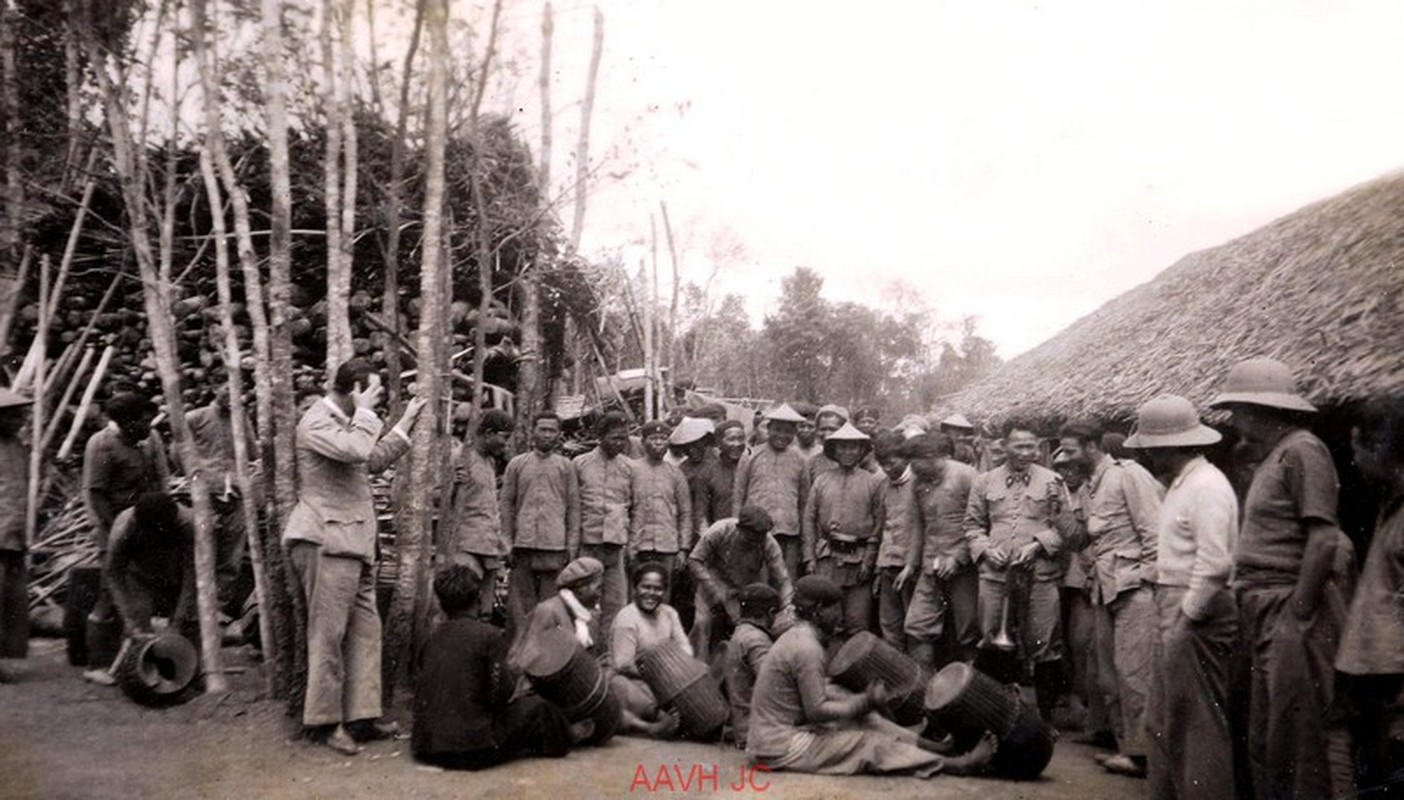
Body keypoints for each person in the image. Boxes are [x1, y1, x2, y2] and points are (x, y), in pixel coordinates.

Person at [1210, 357, 1355, 800]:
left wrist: (1299, 612)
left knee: (1296, 733)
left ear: (1257, 409)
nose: (1233, 420)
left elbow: (1324, 536)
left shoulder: (1303, 450)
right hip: (1261, 605)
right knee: (1266, 730)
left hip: (1285, 605)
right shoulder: (1275, 456)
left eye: (1237, 410)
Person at [281, 359, 426, 754]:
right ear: (354, 391)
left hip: (356, 544)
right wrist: (365, 411)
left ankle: (361, 717)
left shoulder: (347, 423)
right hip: (325, 540)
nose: (376, 404)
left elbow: (371, 460)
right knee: (328, 636)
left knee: (366, 633)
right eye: (374, 394)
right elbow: (358, 448)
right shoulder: (316, 423)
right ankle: (325, 723)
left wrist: (407, 420)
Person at [745, 575, 996, 778]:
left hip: (778, 734)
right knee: (869, 744)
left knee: (860, 712)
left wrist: (859, 704)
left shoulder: (798, 636)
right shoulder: (807, 648)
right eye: (836, 609)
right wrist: (865, 701)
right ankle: (957, 765)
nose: (841, 616)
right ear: (819, 610)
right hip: (778, 747)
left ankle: (936, 749)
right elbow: (816, 711)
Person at [1126, 395, 1238, 800]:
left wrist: (1186, 619)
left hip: (1197, 609)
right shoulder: (1181, 484)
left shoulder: (1206, 487)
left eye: (1152, 448)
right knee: (1165, 718)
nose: (1149, 456)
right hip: (1175, 603)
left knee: (1198, 723)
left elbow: (1215, 565)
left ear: (1169, 446)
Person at [1058, 420, 1163, 778]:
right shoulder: (1089, 486)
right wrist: (1059, 508)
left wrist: (1146, 580)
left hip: (1134, 591)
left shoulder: (1128, 476)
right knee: (1110, 676)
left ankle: (1145, 755)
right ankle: (1128, 750)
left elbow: (1154, 532)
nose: (1065, 458)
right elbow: (1080, 542)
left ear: (1091, 446)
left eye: (1070, 450)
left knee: (1136, 675)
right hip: (1105, 590)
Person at [963, 422, 1077, 717]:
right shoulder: (984, 482)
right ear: (1005, 446)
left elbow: (1065, 529)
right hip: (995, 575)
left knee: (1044, 643)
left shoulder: (1053, 481)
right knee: (991, 640)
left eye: (1031, 446)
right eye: (1019, 446)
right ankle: (995, 713)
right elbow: (973, 526)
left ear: (1038, 447)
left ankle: (1045, 718)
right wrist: (987, 549)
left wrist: (1038, 545)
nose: (1026, 452)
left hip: (1039, 575)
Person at [412, 565, 576, 770]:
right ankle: (568, 737)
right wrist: (517, 685)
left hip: (426, 748)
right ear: (478, 598)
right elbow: (501, 694)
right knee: (540, 708)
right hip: (471, 750)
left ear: (443, 603)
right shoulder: (489, 635)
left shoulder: (432, 638)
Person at [1336, 396, 1404, 797]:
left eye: (1357, 448)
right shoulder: (1389, 505)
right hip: (1378, 677)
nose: (1355, 460)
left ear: (1380, 449)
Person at [82, 392, 169, 684]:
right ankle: (96, 664)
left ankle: (135, 660)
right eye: (144, 421)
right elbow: (96, 495)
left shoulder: (144, 440)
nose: (150, 425)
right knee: (109, 595)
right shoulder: (102, 444)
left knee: (140, 594)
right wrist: (113, 532)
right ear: (126, 421)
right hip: (114, 530)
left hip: (142, 528)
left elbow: (156, 482)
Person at [178, 379, 260, 618]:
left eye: (237, 391)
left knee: (231, 557)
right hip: (206, 494)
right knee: (203, 551)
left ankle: (218, 609)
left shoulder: (240, 418)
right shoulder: (195, 417)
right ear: (215, 389)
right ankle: (194, 609)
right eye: (226, 388)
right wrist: (196, 475)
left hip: (236, 493)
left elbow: (253, 451)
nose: (231, 395)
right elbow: (179, 449)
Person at [1051, 447, 1114, 748]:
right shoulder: (1057, 492)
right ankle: (1078, 703)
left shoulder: (1095, 490)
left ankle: (1089, 708)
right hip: (1062, 574)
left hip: (1087, 576)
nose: (1067, 472)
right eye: (1061, 467)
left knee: (1083, 639)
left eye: (1071, 466)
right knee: (1065, 639)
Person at [901, 433, 980, 670]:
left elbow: (981, 523)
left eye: (914, 462)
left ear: (932, 457)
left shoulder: (967, 477)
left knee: (969, 631)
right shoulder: (917, 483)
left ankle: (975, 692)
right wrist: (910, 565)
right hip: (930, 566)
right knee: (917, 626)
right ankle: (925, 688)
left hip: (964, 568)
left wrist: (958, 557)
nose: (911, 469)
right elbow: (918, 525)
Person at [802, 423, 884, 636]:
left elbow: (879, 524)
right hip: (827, 558)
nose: (848, 452)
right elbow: (809, 520)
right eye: (842, 447)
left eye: (853, 448)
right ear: (834, 451)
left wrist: (869, 560)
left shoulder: (873, 482)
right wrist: (809, 557)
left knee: (857, 621)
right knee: (828, 620)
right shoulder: (821, 481)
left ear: (861, 451)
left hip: (859, 561)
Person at [502, 411, 581, 630]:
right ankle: (517, 658)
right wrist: (506, 540)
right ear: (533, 432)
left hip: (554, 546)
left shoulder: (567, 467)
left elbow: (574, 508)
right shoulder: (517, 465)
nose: (547, 435)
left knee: (550, 607)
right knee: (519, 608)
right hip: (523, 545)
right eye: (542, 430)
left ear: (559, 435)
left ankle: (546, 659)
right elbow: (506, 504)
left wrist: (571, 546)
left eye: (552, 430)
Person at [687, 505, 795, 662]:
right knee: (702, 624)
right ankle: (697, 670)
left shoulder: (768, 542)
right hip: (712, 584)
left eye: (759, 539)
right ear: (739, 528)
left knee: (743, 630)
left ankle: (733, 673)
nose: (755, 543)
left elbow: (782, 578)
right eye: (750, 539)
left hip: (743, 589)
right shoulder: (720, 530)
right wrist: (713, 589)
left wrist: (788, 605)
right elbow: (694, 560)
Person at [104, 492, 200, 649]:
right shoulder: (124, 527)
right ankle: (135, 666)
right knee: (137, 627)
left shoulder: (189, 524)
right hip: (139, 575)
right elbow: (113, 572)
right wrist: (128, 618)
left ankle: (191, 669)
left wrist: (177, 622)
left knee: (189, 623)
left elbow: (192, 573)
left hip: (177, 574)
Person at [444, 409, 515, 620]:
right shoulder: (460, 457)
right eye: (503, 438)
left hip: (488, 544)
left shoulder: (490, 462)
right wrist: (454, 485)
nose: (505, 445)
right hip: (466, 543)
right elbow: (440, 498)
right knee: (463, 602)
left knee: (485, 608)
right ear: (488, 433)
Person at [572, 412, 634, 648]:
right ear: (600, 437)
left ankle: (608, 655)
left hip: (615, 547)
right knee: (584, 604)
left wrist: (631, 543)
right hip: (588, 545)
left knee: (615, 604)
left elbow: (634, 507)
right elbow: (573, 505)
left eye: (624, 438)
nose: (620, 443)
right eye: (615, 438)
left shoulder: (629, 467)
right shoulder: (580, 464)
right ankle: (584, 655)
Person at [610, 562, 689, 738]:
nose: (651, 593)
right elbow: (623, 664)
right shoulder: (627, 617)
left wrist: (677, 671)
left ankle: (673, 719)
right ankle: (657, 722)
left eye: (658, 588)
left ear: (665, 591)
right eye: (646, 587)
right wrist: (661, 675)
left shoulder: (669, 613)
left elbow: (685, 646)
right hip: (636, 680)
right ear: (635, 588)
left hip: (667, 678)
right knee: (621, 686)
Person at [734, 403, 810, 581]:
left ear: (794, 434)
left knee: (785, 581)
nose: (782, 435)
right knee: (757, 581)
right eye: (778, 429)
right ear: (769, 429)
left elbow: (804, 502)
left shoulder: (800, 459)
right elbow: (739, 495)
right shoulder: (751, 455)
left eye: (788, 431)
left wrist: (804, 543)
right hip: (755, 532)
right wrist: (737, 530)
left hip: (788, 533)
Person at [629, 420, 693, 600]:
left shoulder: (676, 473)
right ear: (643, 442)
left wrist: (683, 548)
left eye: (663, 438)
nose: (658, 442)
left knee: (663, 595)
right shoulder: (631, 469)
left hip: (667, 546)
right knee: (635, 593)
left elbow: (685, 512)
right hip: (638, 545)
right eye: (653, 438)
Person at [510, 556, 608, 672]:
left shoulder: (589, 618)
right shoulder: (548, 611)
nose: (601, 593)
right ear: (581, 588)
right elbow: (524, 660)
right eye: (598, 588)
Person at [872, 431, 916, 651]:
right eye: (883, 464)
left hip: (912, 567)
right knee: (890, 625)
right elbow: (880, 527)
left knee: (914, 625)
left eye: (892, 463)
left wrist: (912, 563)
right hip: (887, 564)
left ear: (906, 457)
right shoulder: (882, 486)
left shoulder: (919, 483)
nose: (888, 469)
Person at [724, 583, 781, 749]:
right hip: (757, 732)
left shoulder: (741, 632)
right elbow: (773, 684)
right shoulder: (757, 640)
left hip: (744, 726)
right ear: (771, 613)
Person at [0, 388, 32, 682]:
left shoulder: (17, 447)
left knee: (10, 599)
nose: (20, 420)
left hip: (12, 533)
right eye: (13, 415)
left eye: (20, 415)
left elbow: (18, 494)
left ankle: (4, 659)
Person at [694, 420, 745, 527]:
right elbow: (701, 512)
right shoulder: (707, 472)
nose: (737, 444)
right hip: (722, 533)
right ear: (719, 443)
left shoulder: (752, 467)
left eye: (741, 439)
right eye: (731, 439)